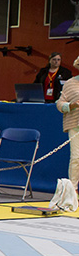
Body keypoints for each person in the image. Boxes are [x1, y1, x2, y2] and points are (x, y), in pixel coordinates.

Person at [56, 53, 79, 189]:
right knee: (76, 158)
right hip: (75, 125)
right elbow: (59, 104)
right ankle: (73, 190)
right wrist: (71, 105)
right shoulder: (70, 83)